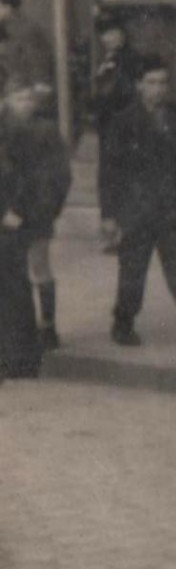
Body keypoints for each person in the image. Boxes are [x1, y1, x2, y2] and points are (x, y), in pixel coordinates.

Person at [105, 55, 176, 349]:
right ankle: (123, 324)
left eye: (163, 82)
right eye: (151, 82)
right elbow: (110, 172)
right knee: (131, 273)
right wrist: (109, 215)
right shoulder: (123, 121)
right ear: (139, 85)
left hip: (171, 211)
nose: (158, 89)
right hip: (135, 212)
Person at [1, 70, 71, 350]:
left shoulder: (46, 130)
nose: (25, 104)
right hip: (6, 213)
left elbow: (60, 175)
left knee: (40, 267)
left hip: (37, 211)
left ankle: (48, 326)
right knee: (9, 273)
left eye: (29, 98)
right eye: (18, 98)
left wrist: (49, 208)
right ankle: (16, 331)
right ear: (6, 100)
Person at [0, 66, 44, 378]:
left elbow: (29, 176)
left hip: (8, 219)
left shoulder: (15, 128)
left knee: (13, 287)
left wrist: (13, 209)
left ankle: (21, 359)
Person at [90, 11, 140, 253]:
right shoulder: (108, 60)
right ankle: (113, 233)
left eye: (112, 32)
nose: (107, 38)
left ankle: (123, 234)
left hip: (122, 127)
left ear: (122, 33)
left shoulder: (129, 60)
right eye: (104, 33)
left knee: (120, 178)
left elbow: (122, 95)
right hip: (109, 127)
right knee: (110, 178)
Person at [0, 0, 55, 113]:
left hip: (24, 96)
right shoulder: (5, 28)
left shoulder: (26, 30)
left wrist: (31, 96)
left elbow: (39, 69)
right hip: (12, 92)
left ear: (7, 7)